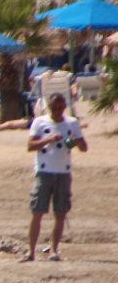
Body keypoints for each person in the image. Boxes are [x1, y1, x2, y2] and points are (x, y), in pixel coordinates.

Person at [24, 93, 87, 262]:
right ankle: (31, 251)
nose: (58, 111)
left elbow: (83, 146)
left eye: (60, 108)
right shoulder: (40, 122)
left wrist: (75, 143)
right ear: (49, 107)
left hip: (63, 173)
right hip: (44, 171)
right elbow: (30, 146)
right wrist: (48, 139)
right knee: (38, 211)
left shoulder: (72, 123)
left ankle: (54, 250)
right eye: (54, 108)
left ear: (65, 107)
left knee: (60, 213)